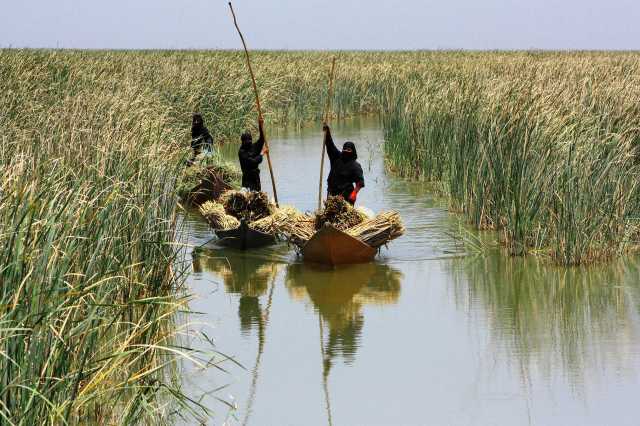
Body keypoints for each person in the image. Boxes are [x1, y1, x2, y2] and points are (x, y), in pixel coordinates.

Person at [323, 123, 365, 205]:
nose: (346, 153)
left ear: (352, 152)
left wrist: (354, 193)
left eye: (348, 151)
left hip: (346, 195)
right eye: (345, 151)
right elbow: (330, 145)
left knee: (344, 216)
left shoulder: (355, 166)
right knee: (330, 214)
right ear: (342, 151)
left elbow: (360, 182)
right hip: (332, 193)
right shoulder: (336, 158)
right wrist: (327, 132)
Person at [238, 117, 268, 191]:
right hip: (247, 179)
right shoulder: (242, 152)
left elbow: (262, 139)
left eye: (250, 140)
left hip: (256, 178)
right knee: (248, 195)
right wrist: (261, 153)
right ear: (243, 142)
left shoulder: (253, 147)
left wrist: (260, 125)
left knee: (257, 195)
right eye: (247, 141)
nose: (249, 142)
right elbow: (253, 162)